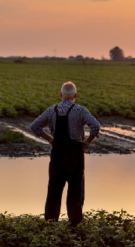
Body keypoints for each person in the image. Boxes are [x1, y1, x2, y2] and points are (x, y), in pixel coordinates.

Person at [30, 81, 100, 226]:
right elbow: (95, 126)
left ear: (61, 94)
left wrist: (50, 139)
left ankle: (50, 223)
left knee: (54, 189)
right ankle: (75, 224)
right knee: (75, 189)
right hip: (75, 152)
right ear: (75, 95)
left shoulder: (51, 110)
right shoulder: (80, 110)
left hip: (57, 152)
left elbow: (34, 126)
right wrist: (88, 141)